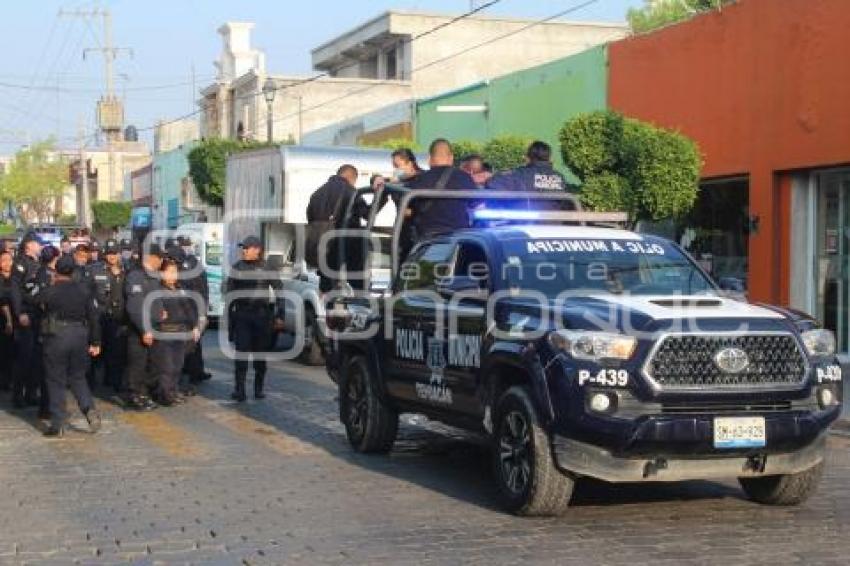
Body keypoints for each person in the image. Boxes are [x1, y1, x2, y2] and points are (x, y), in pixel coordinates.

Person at [38, 255, 102, 437]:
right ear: (74, 271)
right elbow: (94, 318)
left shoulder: (51, 291)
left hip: (57, 336)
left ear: (56, 271)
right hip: (80, 335)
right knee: (78, 377)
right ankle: (89, 409)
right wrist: (96, 341)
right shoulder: (84, 291)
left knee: (56, 379)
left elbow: (34, 300)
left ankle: (57, 423)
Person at [224, 236, 284, 402]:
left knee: (260, 356)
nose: (244, 251)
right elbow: (229, 296)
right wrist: (230, 322)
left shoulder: (267, 267)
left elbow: (279, 291)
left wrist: (280, 315)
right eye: (243, 248)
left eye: (247, 248)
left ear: (257, 249)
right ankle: (240, 390)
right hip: (242, 316)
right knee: (241, 355)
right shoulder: (237, 268)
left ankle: (258, 389)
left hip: (262, 317)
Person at [402, 138, 478, 258]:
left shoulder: (420, 180)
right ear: (451, 157)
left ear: (429, 159)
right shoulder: (464, 178)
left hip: (427, 243)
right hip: (458, 244)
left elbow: (407, 209)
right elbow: (476, 204)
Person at [306, 164, 369, 292]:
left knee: (327, 281)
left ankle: (326, 307)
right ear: (352, 177)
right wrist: (383, 198)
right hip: (344, 243)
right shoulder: (351, 192)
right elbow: (367, 214)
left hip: (320, 244)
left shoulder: (317, 194)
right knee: (356, 279)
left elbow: (310, 218)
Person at [149, 258, 201, 406]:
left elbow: (189, 310)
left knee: (178, 365)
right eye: (170, 272)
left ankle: (172, 390)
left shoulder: (180, 289)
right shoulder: (157, 290)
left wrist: (195, 326)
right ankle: (164, 394)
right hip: (165, 332)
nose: (173, 275)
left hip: (181, 332)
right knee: (166, 366)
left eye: (175, 272)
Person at [123, 243, 165, 411]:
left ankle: (144, 393)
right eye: (160, 258)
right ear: (152, 258)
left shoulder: (152, 276)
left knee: (153, 364)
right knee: (138, 364)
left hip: (154, 327)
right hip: (140, 329)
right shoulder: (136, 276)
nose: (161, 262)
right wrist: (144, 329)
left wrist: (160, 311)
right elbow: (135, 306)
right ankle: (135, 396)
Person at [10, 234, 44, 410]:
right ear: (29, 245)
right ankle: (17, 395)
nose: (40, 247)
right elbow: (15, 291)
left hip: (39, 315)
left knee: (36, 358)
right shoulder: (20, 263)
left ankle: (32, 392)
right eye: (38, 244)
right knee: (24, 357)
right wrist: (19, 313)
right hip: (26, 315)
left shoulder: (39, 264)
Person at [485, 140, 570, 209]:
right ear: (549, 158)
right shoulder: (560, 177)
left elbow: (492, 183)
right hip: (554, 226)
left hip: (525, 225)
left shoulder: (520, 174)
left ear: (528, 157)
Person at [90, 239, 127, 393]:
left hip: (118, 318)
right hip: (99, 316)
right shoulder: (95, 270)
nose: (112, 257)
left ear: (119, 254)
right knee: (96, 350)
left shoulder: (127, 271)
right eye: (109, 253)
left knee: (117, 351)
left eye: (114, 253)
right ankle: (93, 381)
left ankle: (114, 381)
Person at [178, 236, 211, 385]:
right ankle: (192, 372)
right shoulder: (180, 263)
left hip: (193, 308)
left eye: (187, 245)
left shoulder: (194, 263)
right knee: (191, 344)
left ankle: (195, 372)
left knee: (194, 344)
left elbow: (203, 288)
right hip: (187, 309)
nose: (186, 248)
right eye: (184, 245)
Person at [0, 249, 14, 392]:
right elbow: (2, 301)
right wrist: (8, 320)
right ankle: (5, 381)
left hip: (15, 317)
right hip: (3, 319)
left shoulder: (15, 277)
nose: (7, 263)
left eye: (9, 260)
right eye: (3, 260)